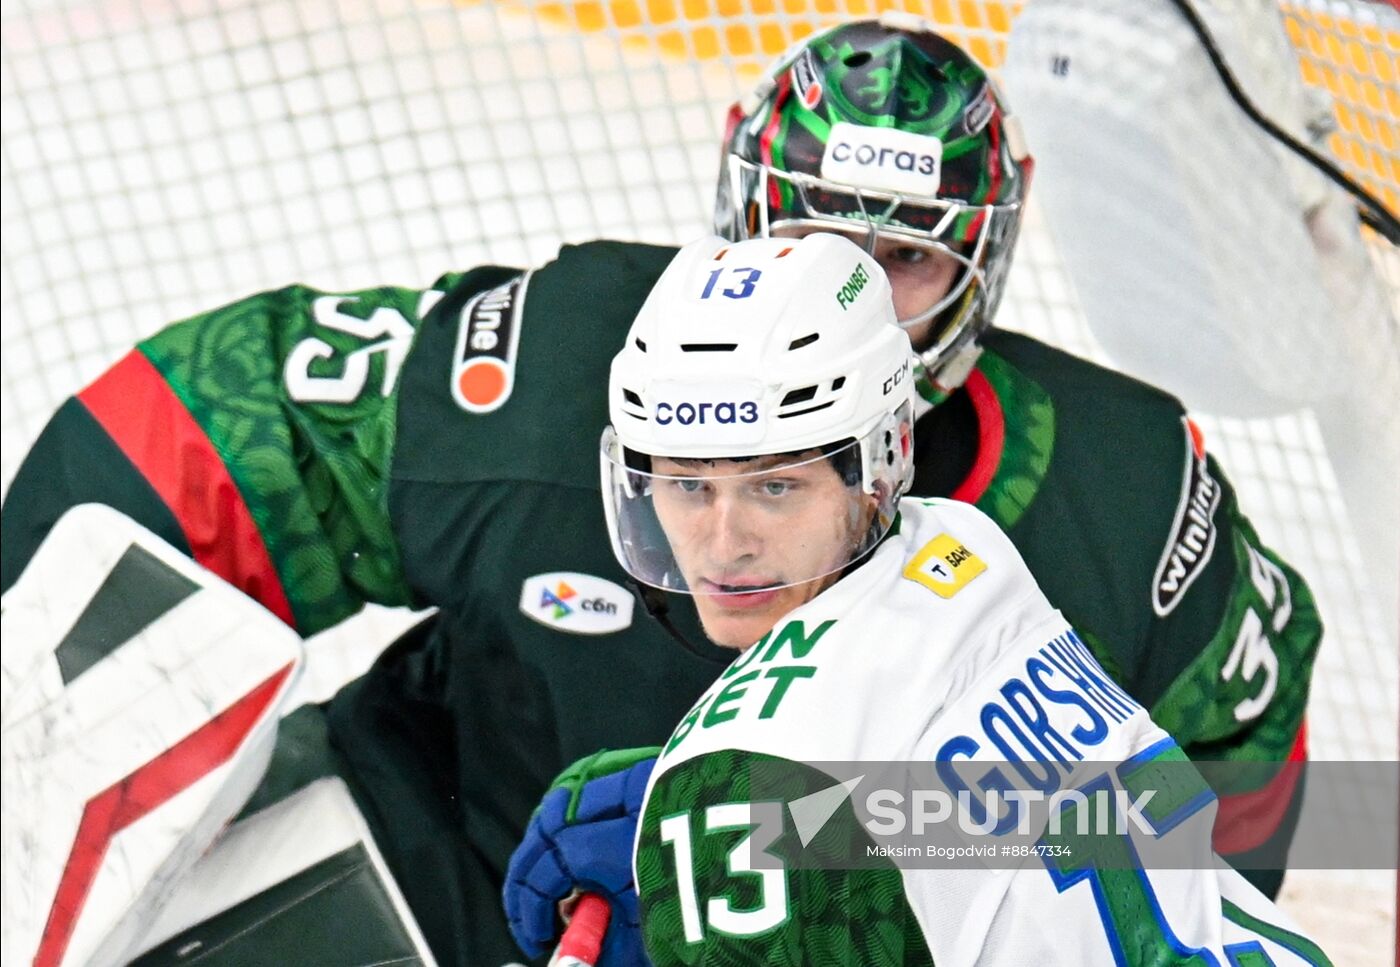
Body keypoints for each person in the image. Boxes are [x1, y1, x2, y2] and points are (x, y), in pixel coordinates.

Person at [0, 15, 1320, 964]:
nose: (844, 285)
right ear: (743, 201)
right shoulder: (555, 374)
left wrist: (826, 843)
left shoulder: (1126, 494)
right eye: (813, 232)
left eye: (903, 258)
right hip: (439, 843)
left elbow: (1207, 832)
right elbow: (209, 433)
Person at [506, 232, 1331, 965]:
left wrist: (708, 838)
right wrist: (700, 820)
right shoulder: (961, 551)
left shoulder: (743, 781)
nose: (724, 544)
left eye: (776, 486)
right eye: (686, 483)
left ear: (877, 468)